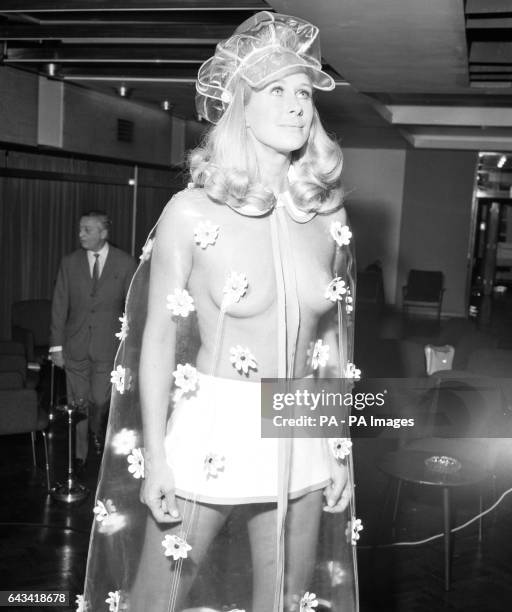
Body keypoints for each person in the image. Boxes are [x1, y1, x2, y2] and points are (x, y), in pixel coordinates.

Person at [81, 11, 360, 612]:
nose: (296, 106)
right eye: (276, 91)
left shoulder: (326, 217)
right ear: (241, 105)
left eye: (304, 93)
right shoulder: (191, 211)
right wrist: (156, 456)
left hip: (299, 416)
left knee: (284, 601)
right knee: (157, 600)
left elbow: (331, 343)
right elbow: (157, 338)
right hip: (217, 420)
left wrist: (337, 444)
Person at [50, 211, 136, 467]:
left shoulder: (126, 263)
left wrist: (130, 348)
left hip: (108, 347)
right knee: (77, 404)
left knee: (99, 399)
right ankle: (80, 454)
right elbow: (59, 304)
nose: (81, 234)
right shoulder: (69, 262)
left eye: (87, 229)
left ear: (103, 233)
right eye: (80, 229)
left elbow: (134, 308)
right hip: (74, 346)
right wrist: (56, 346)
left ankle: (98, 431)